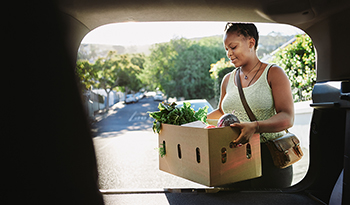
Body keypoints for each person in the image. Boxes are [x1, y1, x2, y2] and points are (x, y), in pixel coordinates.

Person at [207, 23, 294, 188]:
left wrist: (255, 126)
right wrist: (190, 122)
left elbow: (287, 117)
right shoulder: (227, 79)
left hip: (269, 160)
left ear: (251, 43)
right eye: (226, 49)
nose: (229, 54)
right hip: (232, 159)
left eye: (233, 47)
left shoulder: (274, 73)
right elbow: (221, 112)